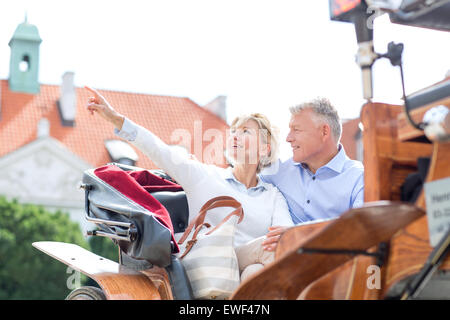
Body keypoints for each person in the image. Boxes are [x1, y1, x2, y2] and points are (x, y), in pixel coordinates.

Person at [85, 86, 293, 280]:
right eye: (234, 131)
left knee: (255, 272)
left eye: (245, 131)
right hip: (210, 264)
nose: (235, 136)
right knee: (272, 250)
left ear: (265, 149)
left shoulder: (273, 195)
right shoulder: (205, 176)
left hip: (248, 268)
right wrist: (116, 119)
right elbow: (159, 150)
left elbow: (287, 235)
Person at [261, 97, 364, 251]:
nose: (288, 138)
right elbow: (241, 181)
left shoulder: (358, 177)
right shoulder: (278, 172)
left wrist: (299, 234)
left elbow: (361, 228)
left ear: (324, 131)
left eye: (296, 129)